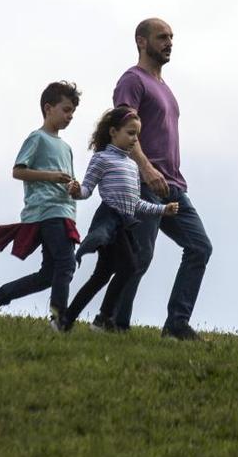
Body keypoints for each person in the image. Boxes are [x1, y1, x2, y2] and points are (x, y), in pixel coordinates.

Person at [111, 18, 213, 340]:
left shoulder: (165, 87)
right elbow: (124, 130)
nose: (169, 42)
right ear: (142, 41)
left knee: (200, 247)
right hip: (145, 181)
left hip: (172, 185)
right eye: (162, 37)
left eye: (171, 37)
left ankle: (176, 325)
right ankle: (113, 322)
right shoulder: (133, 80)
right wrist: (145, 167)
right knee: (140, 254)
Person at [0, 81, 81, 332]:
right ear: (48, 108)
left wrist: (74, 188)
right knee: (66, 264)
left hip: (64, 212)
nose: (70, 116)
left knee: (48, 275)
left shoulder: (66, 147)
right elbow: (18, 171)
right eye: (66, 110)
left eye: (73, 113)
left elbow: (69, 180)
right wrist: (51, 176)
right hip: (47, 211)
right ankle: (59, 317)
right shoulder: (37, 138)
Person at [63, 107, 178, 332]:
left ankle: (66, 319)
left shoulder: (132, 166)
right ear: (113, 132)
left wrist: (162, 210)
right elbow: (87, 190)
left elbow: (136, 204)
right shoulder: (101, 159)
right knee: (129, 266)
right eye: (130, 133)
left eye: (137, 134)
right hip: (109, 221)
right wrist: (76, 191)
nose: (135, 139)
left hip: (125, 224)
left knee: (103, 275)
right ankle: (104, 318)